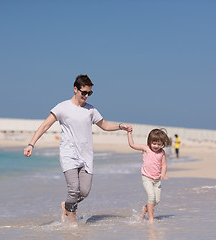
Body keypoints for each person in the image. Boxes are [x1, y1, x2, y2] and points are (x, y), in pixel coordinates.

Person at [23, 74, 132, 223]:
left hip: (86, 155)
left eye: (89, 93)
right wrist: (31, 144)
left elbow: (105, 126)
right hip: (69, 154)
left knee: (85, 192)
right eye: (84, 92)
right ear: (75, 89)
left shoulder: (91, 110)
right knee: (73, 190)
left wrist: (120, 126)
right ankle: (72, 225)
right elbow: (45, 125)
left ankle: (67, 206)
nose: (86, 96)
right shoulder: (62, 107)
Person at [127, 128, 170, 223]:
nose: (156, 146)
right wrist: (129, 134)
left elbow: (164, 164)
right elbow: (132, 145)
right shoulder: (146, 149)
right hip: (146, 177)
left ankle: (144, 210)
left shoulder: (162, 152)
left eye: (159, 144)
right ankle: (151, 219)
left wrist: (163, 174)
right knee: (151, 197)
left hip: (157, 179)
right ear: (149, 142)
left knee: (157, 200)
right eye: (154, 143)